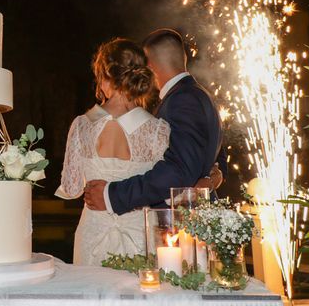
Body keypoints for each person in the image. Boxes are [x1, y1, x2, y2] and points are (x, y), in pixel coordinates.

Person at [84, 28, 226, 216]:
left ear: (149, 67)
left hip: (180, 221)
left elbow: (178, 171)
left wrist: (113, 195)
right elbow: (216, 158)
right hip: (196, 216)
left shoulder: (182, 100)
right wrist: (212, 178)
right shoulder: (199, 95)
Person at [56, 38, 172, 265]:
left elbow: (71, 189)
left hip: (93, 233)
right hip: (141, 235)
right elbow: (165, 187)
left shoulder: (81, 125)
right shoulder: (158, 129)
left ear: (104, 76)